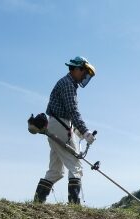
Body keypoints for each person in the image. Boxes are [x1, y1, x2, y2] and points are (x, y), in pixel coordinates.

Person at [33, 56, 96, 204]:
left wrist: (78, 132)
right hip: (60, 126)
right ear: (76, 69)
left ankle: (37, 202)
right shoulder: (68, 84)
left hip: (56, 125)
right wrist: (85, 132)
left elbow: (68, 114)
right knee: (76, 166)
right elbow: (73, 111)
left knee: (56, 170)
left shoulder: (68, 83)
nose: (85, 76)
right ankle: (74, 204)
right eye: (84, 72)